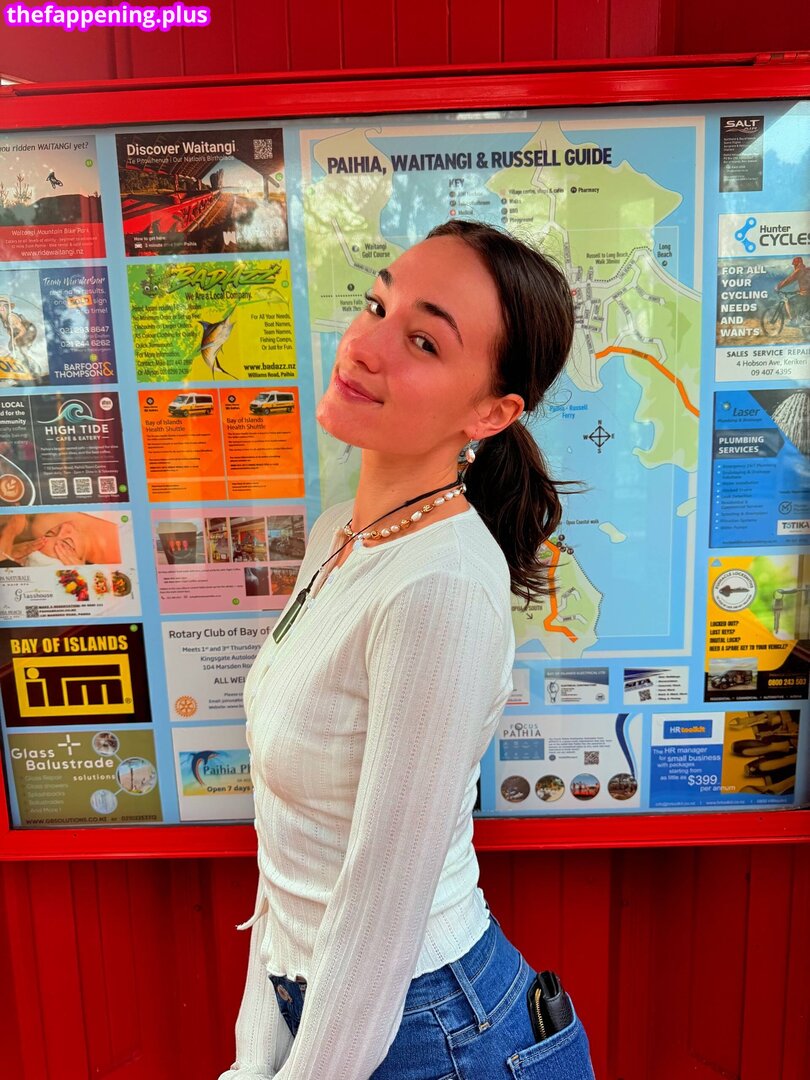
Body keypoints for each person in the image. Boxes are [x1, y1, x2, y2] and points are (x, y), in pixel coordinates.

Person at [220, 220, 596, 1079]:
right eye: (377, 305)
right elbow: (293, 856)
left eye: (423, 341)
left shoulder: (441, 587)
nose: (365, 344)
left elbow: (381, 912)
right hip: (329, 1006)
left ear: (491, 413)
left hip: (429, 1031)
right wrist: (254, 1056)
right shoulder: (341, 537)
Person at [776, 256, 810, 321]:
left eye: (794, 264)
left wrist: (778, 286)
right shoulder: (808, 270)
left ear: (796, 264)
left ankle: (792, 320)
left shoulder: (799, 270)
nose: (794, 266)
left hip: (805, 295)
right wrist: (799, 290)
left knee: (787, 301)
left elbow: (788, 280)